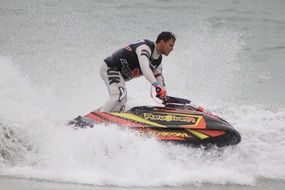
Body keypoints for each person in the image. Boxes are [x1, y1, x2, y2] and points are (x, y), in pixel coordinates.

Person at [97, 31, 176, 112]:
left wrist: (166, 100)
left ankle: (90, 118)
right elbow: (145, 68)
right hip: (110, 67)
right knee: (118, 95)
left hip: (119, 74)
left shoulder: (158, 62)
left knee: (121, 102)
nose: (172, 49)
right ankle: (97, 120)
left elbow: (160, 82)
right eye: (170, 45)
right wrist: (155, 85)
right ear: (162, 42)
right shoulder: (145, 47)